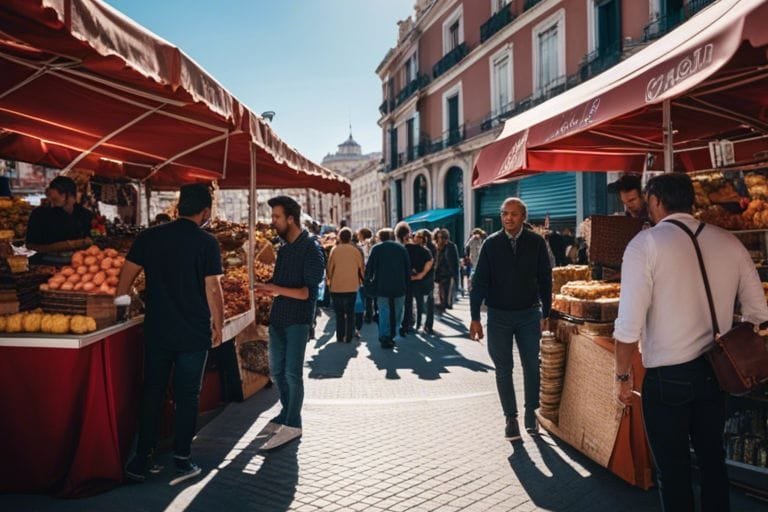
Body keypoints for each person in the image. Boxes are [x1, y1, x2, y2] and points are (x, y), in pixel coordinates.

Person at [613, 173, 768, 512]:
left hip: (667, 377)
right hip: (717, 372)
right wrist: (728, 326)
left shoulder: (645, 244)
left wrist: (622, 376)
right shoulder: (729, 241)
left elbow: (628, 326)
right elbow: (759, 312)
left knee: (674, 469)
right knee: (714, 463)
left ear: (655, 201)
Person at [119, 184, 224, 485]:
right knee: (187, 396)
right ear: (205, 211)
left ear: (179, 206)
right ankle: (182, 459)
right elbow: (212, 288)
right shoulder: (207, 242)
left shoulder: (149, 237)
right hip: (193, 332)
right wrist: (218, 323)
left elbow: (126, 275)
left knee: (152, 391)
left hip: (157, 330)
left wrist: (121, 303)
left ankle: (142, 459)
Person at [469, 198, 552, 441]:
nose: (508, 218)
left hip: (528, 314)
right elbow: (480, 282)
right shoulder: (491, 244)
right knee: (503, 368)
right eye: (505, 213)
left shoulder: (536, 242)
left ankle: (530, 413)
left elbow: (545, 279)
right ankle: (511, 418)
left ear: (523, 216)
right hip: (498, 316)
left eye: (514, 214)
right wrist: (474, 317)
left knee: (531, 365)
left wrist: (546, 313)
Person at [254, 196, 325, 450]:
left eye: (276, 217)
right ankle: (285, 413)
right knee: (276, 371)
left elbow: (307, 293)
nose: (272, 222)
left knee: (293, 374)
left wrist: (275, 288)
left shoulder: (312, 249)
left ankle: (293, 423)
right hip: (279, 318)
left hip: (298, 320)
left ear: (291, 219)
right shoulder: (283, 249)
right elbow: (280, 287)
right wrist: (267, 290)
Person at [26, 176, 93, 262]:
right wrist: (64, 246)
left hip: (80, 263)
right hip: (47, 263)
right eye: (49, 196)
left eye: (54, 199)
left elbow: (91, 241)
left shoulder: (85, 214)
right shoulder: (40, 214)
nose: (50, 202)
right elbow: (30, 245)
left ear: (66, 195)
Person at [365, 227, 410, 349]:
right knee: (398, 310)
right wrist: (407, 284)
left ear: (380, 238)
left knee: (384, 310)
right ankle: (393, 333)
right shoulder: (401, 248)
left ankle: (385, 336)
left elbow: (369, 269)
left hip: (382, 285)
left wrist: (368, 283)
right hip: (399, 285)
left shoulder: (376, 249)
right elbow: (407, 269)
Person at [326, 227, 364, 343]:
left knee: (339, 314)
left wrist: (329, 281)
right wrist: (361, 281)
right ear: (350, 237)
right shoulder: (355, 251)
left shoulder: (334, 250)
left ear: (339, 237)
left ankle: (339, 336)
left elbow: (329, 268)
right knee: (350, 312)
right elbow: (361, 268)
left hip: (337, 286)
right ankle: (349, 336)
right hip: (352, 286)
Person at [394, 222, 433, 336]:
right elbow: (430, 260)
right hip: (419, 281)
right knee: (417, 303)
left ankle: (406, 324)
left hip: (403, 281)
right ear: (409, 234)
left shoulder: (399, 250)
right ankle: (414, 324)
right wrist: (421, 274)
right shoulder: (421, 249)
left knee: (405, 302)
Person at [434, 229, 459, 312]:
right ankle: (441, 304)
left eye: (441, 237)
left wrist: (455, 274)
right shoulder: (437, 246)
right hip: (439, 271)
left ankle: (444, 305)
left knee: (446, 290)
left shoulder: (451, 246)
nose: (440, 239)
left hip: (448, 272)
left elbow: (455, 261)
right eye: (439, 237)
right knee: (439, 289)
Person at [419, 229, 438, 335]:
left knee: (420, 302)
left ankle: (420, 323)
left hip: (421, 278)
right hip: (430, 278)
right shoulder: (434, 248)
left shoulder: (422, 248)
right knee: (430, 303)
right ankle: (429, 325)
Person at [357, 227, 377, 324]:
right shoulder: (373, 245)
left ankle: (364, 314)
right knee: (370, 295)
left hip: (362, 271)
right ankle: (370, 314)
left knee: (363, 294)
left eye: (359, 234)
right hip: (371, 271)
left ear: (362, 235)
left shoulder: (361, 246)